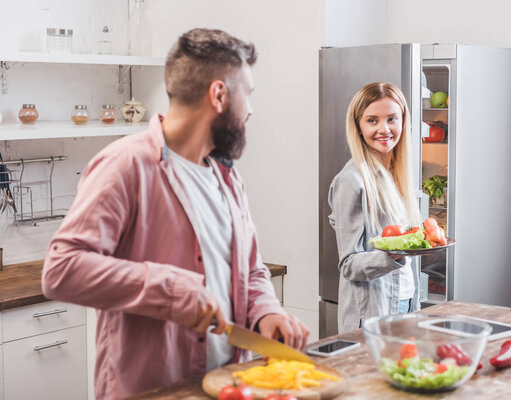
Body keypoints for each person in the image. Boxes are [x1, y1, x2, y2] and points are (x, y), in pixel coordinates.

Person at [42, 28, 310, 399]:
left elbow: (249, 270)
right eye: (247, 94)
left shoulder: (227, 177)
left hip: (227, 386)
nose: (250, 109)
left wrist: (266, 311)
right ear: (218, 95)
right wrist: (171, 290)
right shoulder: (125, 164)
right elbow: (61, 269)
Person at [328, 82, 422, 333]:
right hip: (372, 314)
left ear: (403, 121)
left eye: (392, 119)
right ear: (358, 127)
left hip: (406, 303)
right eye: (372, 121)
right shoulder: (352, 180)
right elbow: (348, 264)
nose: (384, 129)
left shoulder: (398, 174)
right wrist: (392, 255)